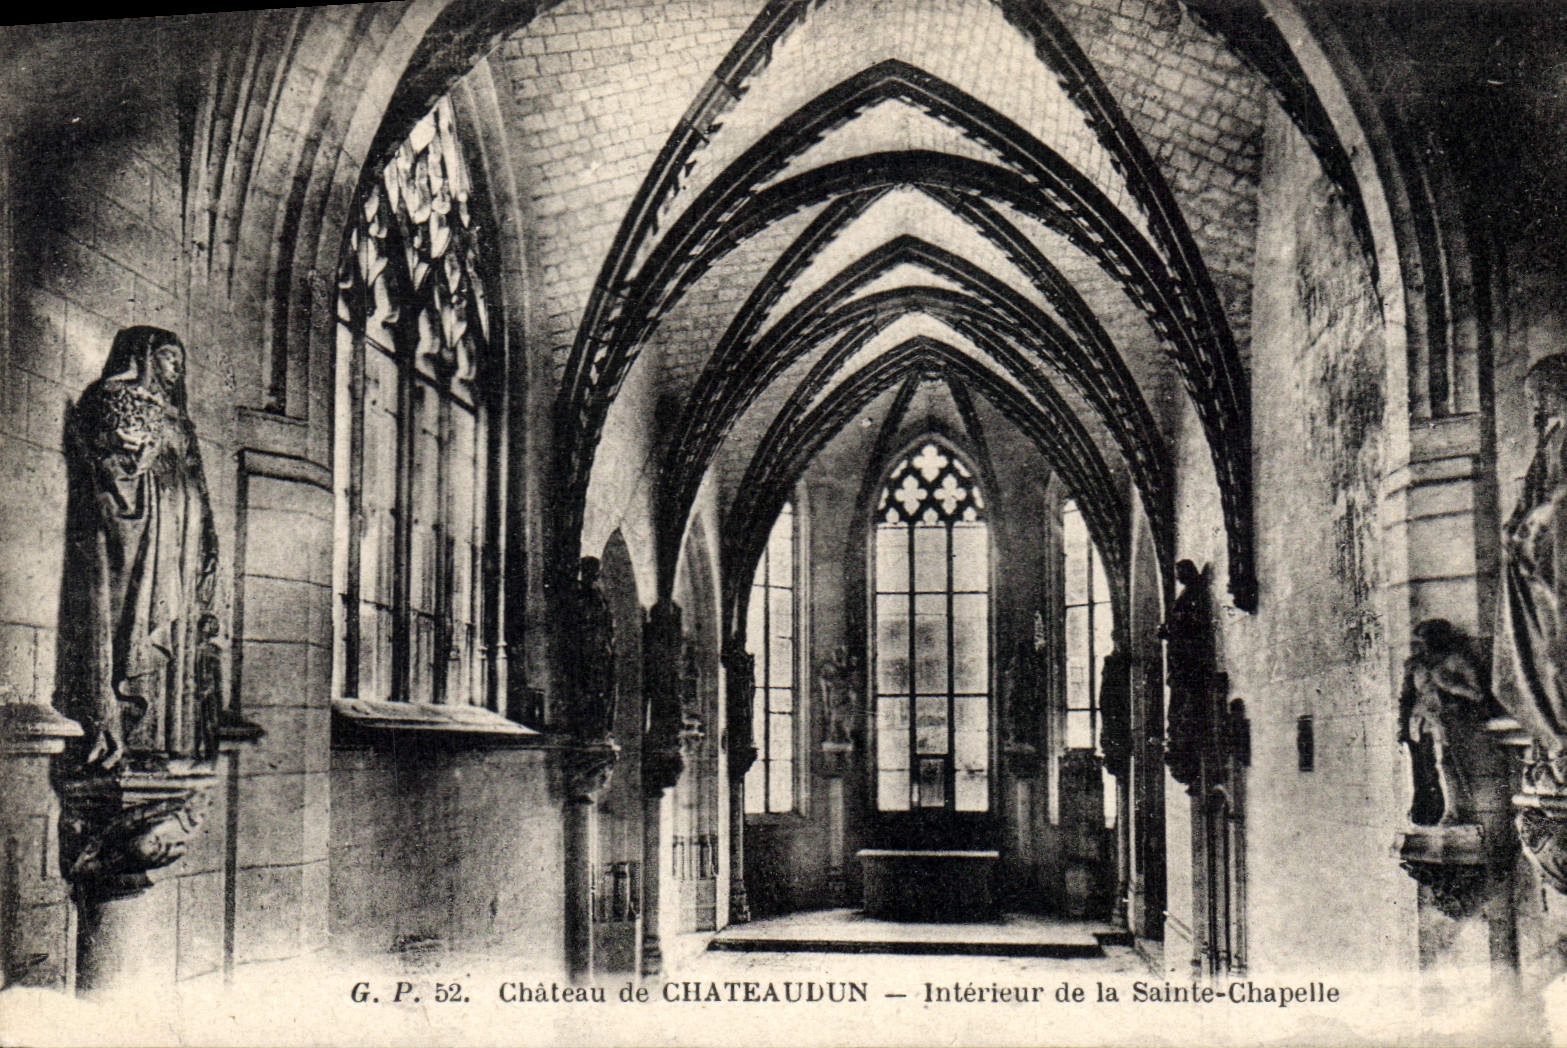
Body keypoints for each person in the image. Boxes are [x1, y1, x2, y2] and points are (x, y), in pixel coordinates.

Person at [61, 327, 218, 771]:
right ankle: (123, 729)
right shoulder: (116, 398)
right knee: (135, 617)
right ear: (144, 357)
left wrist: (207, 537)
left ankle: (161, 741)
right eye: (169, 358)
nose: (176, 369)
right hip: (148, 529)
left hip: (181, 538)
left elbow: (197, 482)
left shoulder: (179, 419)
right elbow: (111, 467)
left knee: (174, 627)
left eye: (179, 362)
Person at [1503, 354, 1567, 775]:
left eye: (1536, 394)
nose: (1532, 404)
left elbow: (1554, 493)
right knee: (1544, 646)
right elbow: (1532, 491)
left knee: (1558, 643)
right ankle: (1555, 728)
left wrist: (1548, 510)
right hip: (1545, 558)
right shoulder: (1553, 438)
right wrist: (1516, 524)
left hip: (1561, 552)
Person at [1399, 619, 1486, 825]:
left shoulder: (1457, 661)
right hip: (1420, 724)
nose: (1429, 643)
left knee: (1445, 765)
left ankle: (1453, 810)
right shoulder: (1415, 665)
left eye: (1434, 637)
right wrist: (1402, 727)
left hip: (1449, 722)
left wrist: (1451, 685)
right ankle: (1426, 812)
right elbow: (1406, 697)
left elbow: (1478, 694)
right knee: (1422, 768)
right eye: (1425, 638)